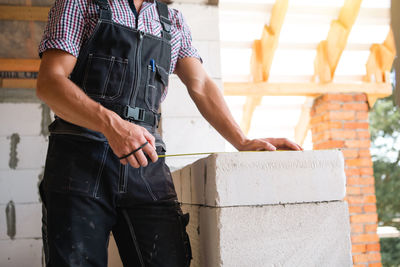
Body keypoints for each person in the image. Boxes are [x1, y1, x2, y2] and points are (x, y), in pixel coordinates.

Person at [36, 0, 303, 266]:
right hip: (79, 162)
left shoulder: (171, 20)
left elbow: (200, 83)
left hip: (146, 162)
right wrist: (112, 125)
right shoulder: (79, 3)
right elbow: (50, 82)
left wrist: (242, 141)